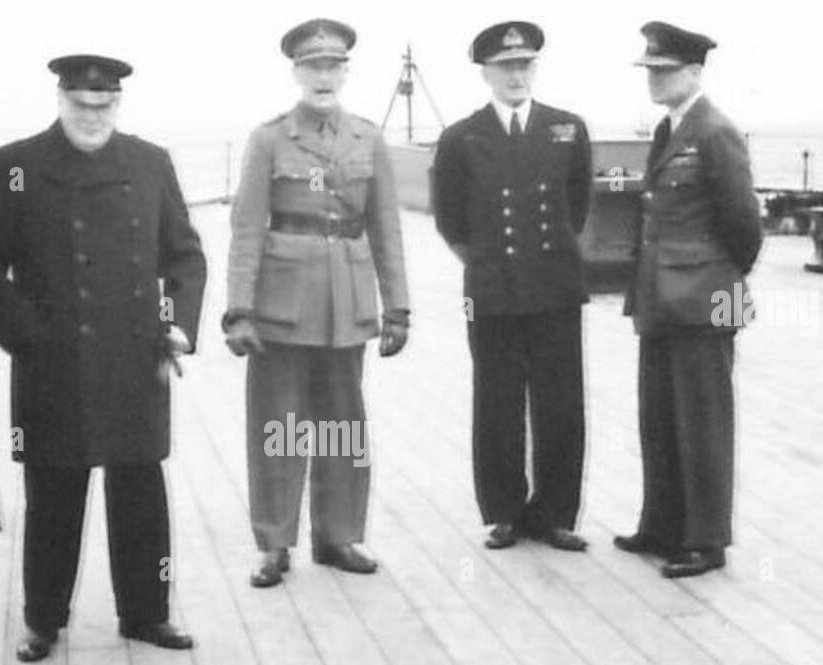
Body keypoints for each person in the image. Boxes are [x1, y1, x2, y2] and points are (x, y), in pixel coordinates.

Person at [0, 54, 206, 657]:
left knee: (141, 490)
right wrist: (25, 335)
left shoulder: (150, 163)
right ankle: (43, 620)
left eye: (105, 105)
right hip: (51, 361)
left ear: (117, 103)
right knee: (53, 493)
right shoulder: (17, 167)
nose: (93, 115)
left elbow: (184, 256)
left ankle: (148, 614)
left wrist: (176, 325)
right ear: (61, 99)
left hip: (135, 358)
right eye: (81, 105)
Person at [224, 18, 411, 588]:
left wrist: (397, 307)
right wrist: (239, 310)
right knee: (281, 425)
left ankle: (337, 535)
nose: (323, 77)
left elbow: (386, 229)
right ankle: (276, 543)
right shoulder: (269, 138)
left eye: (333, 67)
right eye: (313, 67)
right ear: (297, 73)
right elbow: (247, 229)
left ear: (345, 73)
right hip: (282, 306)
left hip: (347, 305)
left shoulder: (366, 138)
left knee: (340, 424)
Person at [430, 21, 593, 553]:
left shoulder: (568, 127)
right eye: (506, 67)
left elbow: (578, 204)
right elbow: (450, 219)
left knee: (561, 403)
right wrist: (485, 263)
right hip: (493, 289)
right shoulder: (461, 137)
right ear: (486, 73)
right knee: (497, 403)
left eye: (525, 65)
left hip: (555, 287)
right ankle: (503, 512)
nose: (516, 75)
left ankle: (556, 513)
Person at [615, 21, 763, 579]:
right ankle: (661, 523)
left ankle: (705, 539)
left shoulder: (715, 131)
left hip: (705, 298)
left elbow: (744, 226)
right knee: (659, 415)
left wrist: (717, 283)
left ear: (695, 73)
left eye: (666, 71)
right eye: (651, 71)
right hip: (659, 298)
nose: (655, 80)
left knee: (703, 420)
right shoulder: (668, 129)